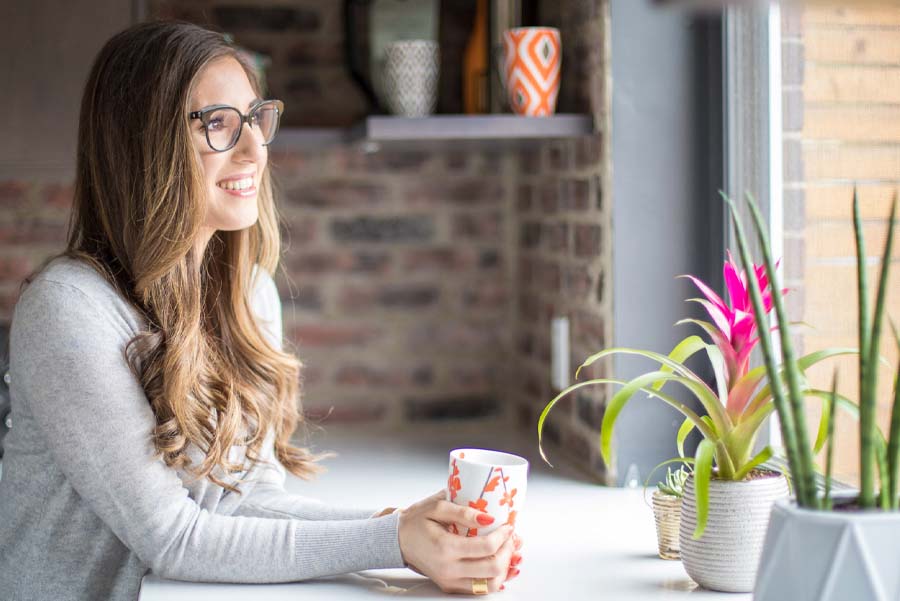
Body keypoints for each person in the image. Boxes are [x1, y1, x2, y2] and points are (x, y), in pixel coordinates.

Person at [0, 21, 523, 601]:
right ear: (141, 144)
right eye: (218, 124)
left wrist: (410, 529)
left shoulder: (248, 294)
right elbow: (173, 538)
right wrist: (393, 541)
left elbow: (250, 500)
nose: (255, 150)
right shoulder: (68, 310)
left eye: (255, 119)